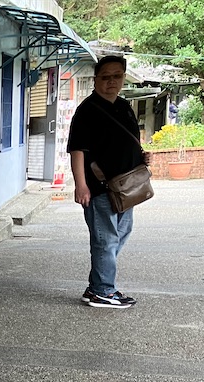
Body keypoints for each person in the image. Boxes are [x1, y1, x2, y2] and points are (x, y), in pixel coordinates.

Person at [67, 55, 142, 309]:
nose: (112, 81)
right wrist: (81, 185)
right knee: (105, 239)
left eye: (117, 76)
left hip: (127, 186)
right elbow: (77, 150)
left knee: (120, 234)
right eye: (106, 76)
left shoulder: (124, 106)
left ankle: (97, 286)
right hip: (99, 187)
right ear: (96, 79)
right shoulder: (87, 111)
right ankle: (103, 291)